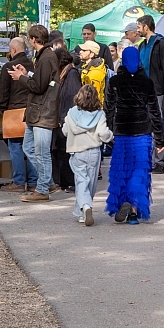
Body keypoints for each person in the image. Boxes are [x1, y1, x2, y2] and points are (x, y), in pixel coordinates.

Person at [104, 46, 164, 224]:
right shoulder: (146, 82)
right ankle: (133, 212)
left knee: (121, 170)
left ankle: (123, 202)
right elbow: (155, 112)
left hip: (121, 132)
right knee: (139, 171)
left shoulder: (114, 82)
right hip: (142, 132)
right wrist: (160, 139)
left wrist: (107, 135)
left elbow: (108, 109)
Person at [9, 24, 60, 203]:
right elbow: (41, 79)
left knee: (40, 152)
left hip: (43, 112)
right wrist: (27, 72)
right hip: (37, 112)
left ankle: (43, 188)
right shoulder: (43, 57)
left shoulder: (46, 57)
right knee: (29, 148)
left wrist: (20, 78)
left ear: (32, 39)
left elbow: (38, 86)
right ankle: (49, 182)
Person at [63, 85, 114, 226]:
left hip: (77, 151)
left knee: (81, 181)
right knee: (90, 182)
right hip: (93, 152)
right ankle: (84, 209)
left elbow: (65, 131)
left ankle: (84, 208)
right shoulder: (99, 114)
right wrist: (111, 136)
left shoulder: (71, 113)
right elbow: (103, 134)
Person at [0, 37, 37, 192]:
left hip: (14, 112)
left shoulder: (9, 67)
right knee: (31, 147)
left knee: (16, 147)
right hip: (32, 111)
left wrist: (3, 111)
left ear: (13, 50)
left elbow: (3, 92)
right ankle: (33, 183)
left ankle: (19, 182)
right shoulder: (33, 65)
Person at [137, 15, 164, 173]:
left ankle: (159, 161)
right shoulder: (141, 45)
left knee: (157, 124)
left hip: (156, 90)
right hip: (142, 90)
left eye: (139, 26)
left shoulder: (160, 43)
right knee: (146, 126)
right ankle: (148, 159)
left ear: (146, 26)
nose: (137, 29)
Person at [51, 48, 83, 192]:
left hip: (67, 119)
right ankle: (64, 181)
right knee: (61, 151)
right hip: (64, 118)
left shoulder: (71, 74)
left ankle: (69, 182)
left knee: (66, 151)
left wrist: (64, 118)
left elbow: (71, 97)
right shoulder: (66, 74)